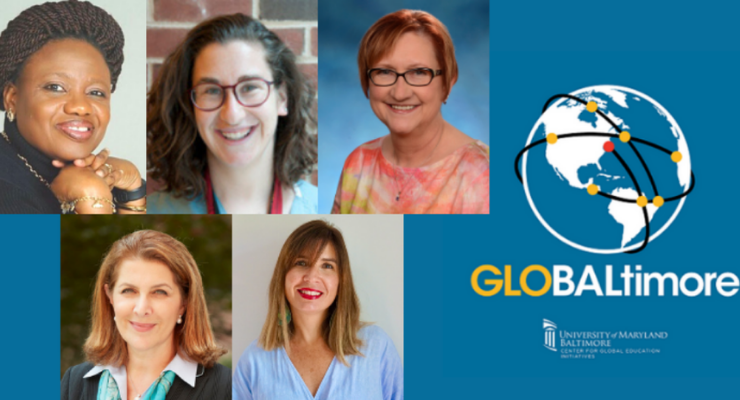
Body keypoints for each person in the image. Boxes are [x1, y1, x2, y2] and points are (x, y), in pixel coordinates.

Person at [147, 13, 318, 214]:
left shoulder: (324, 209)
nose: (232, 115)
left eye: (249, 88)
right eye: (211, 90)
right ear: (190, 106)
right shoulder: (150, 212)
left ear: (282, 98)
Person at [332, 9, 489, 214]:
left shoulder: (481, 174)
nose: (400, 93)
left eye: (418, 72)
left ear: (448, 83)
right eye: (385, 72)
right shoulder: (358, 163)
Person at [0, 1, 146, 214]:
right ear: (12, 98)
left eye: (96, 92)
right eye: (56, 87)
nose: (81, 107)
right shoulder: (7, 195)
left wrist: (132, 190)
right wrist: (92, 199)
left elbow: (138, 246)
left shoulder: (89, 178)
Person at [233, 220, 403, 400]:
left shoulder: (376, 346)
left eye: (327, 266)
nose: (312, 276)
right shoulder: (254, 361)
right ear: (283, 275)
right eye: (301, 262)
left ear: (340, 281)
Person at [61, 230, 230, 400]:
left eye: (159, 292)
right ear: (110, 297)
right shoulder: (74, 382)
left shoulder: (226, 388)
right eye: (129, 290)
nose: (142, 309)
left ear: (184, 303)